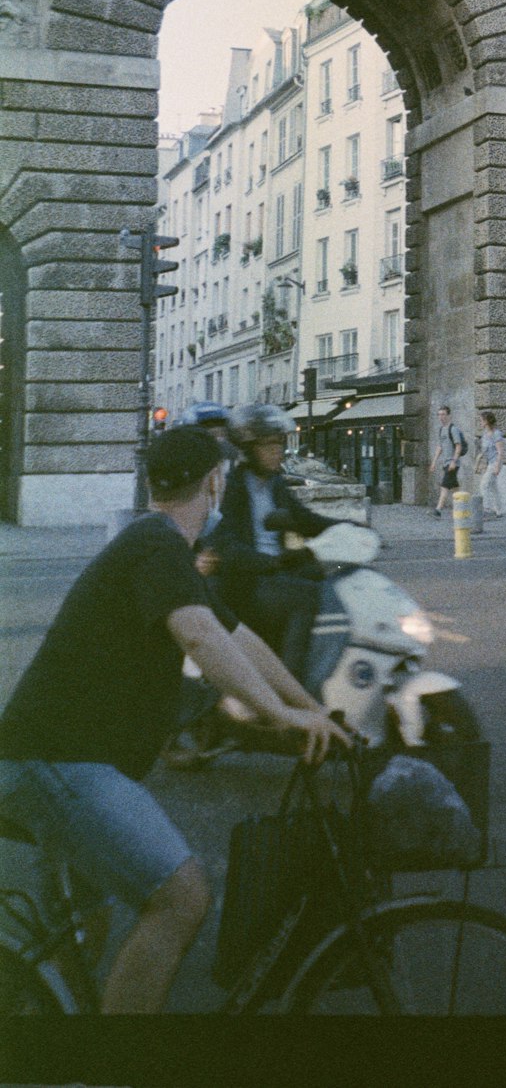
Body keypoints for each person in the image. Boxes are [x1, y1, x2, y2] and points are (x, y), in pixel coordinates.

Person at [0, 427, 347, 1013]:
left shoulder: (162, 550)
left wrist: (316, 713)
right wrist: (282, 716)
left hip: (66, 759)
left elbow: (244, 640)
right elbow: (200, 637)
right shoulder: (155, 547)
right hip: (60, 762)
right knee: (182, 899)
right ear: (214, 482)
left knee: (88, 930)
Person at [209, 403, 335, 682]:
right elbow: (225, 544)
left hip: (275, 572)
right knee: (305, 598)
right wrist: (269, 562)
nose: (278, 451)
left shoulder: (275, 484)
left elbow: (304, 519)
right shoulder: (234, 488)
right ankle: (288, 682)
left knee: (331, 582)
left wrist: (349, 528)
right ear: (250, 449)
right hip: (248, 582)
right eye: (269, 445)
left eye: (279, 443)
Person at [429, 404, 465, 518]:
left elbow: (458, 446)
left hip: (452, 463)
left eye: (443, 414)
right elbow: (440, 447)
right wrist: (434, 462)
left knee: (444, 486)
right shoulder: (441, 430)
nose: (441, 417)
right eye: (439, 415)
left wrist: (454, 461)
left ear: (449, 415)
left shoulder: (453, 429)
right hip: (446, 463)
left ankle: (438, 510)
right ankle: (462, 509)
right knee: (455, 489)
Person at [477, 410, 505, 518]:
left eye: (481, 420)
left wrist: (497, 466)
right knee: (493, 487)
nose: (480, 422)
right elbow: (483, 452)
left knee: (484, 485)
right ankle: (498, 510)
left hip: (495, 462)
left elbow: (500, 452)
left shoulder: (496, 434)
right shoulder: (485, 435)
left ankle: (487, 509)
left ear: (487, 421)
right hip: (489, 463)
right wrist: (479, 464)